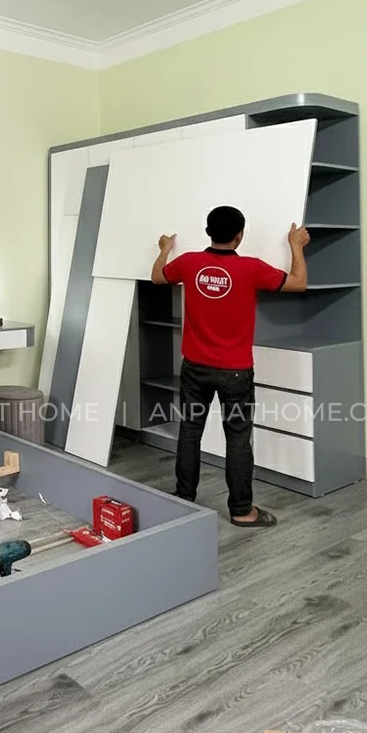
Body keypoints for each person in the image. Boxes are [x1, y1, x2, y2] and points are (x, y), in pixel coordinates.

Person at [151, 205, 310, 527]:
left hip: (195, 367)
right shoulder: (251, 268)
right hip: (235, 372)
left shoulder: (188, 263)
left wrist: (165, 249)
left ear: (207, 232)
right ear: (240, 236)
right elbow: (298, 283)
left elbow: (157, 276)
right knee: (237, 438)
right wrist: (295, 245)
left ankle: (184, 498)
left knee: (190, 431)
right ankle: (241, 511)